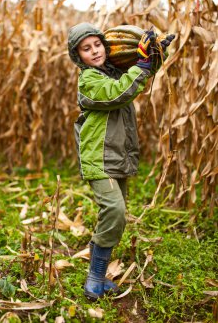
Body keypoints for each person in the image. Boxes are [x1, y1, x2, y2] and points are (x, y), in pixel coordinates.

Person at [67, 22, 174, 301]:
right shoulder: (89, 81)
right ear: (78, 56)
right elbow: (119, 92)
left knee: (118, 216)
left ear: (105, 45)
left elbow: (137, 78)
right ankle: (94, 277)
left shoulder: (115, 73)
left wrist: (154, 57)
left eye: (97, 45)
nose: (95, 51)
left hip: (118, 155)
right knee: (114, 210)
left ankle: (100, 277)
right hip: (98, 158)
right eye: (86, 48)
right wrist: (142, 65)